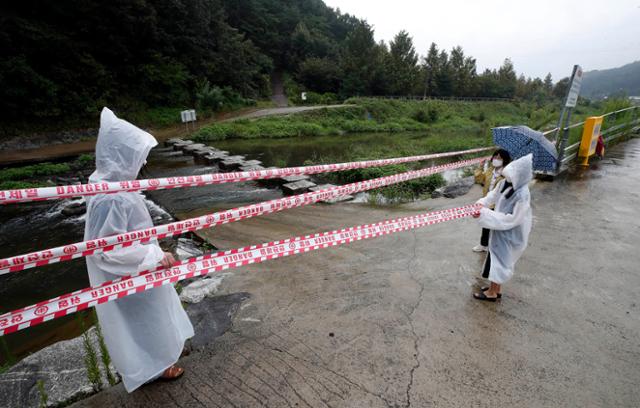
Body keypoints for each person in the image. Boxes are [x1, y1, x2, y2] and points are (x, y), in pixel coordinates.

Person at [84, 107, 194, 392]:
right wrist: (153, 256)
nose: (143, 162)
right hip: (131, 269)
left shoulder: (113, 187)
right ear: (122, 156)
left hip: (140, 265)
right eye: (138, 156)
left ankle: (163, 355)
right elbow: (106, 251)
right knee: (145, 317)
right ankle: (155, 366)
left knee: (156, 310)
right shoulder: (112, 197)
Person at [472, 154, 533, 301]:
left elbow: (513, 219)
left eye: (511, 174)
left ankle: (492, 293)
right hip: (499, 226)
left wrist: (484, 214)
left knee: (500, 260)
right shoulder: (505, 183)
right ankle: (495, 288)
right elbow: (492, 195)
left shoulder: (522, 194)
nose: (508, 175)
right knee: (495, 258)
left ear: (520, 175)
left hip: (509, 231)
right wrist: (481, 203)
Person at [472, 149, 511, 253]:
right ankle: (483, 245)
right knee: (486, 224)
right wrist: (480, 166)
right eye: (495, 157)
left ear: (505, 160)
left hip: (499, 205)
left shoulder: (507, 174)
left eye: (499, 158)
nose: (496, 160)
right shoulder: (490, 170)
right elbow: (479, 179)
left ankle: (496, 247)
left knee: (497, 227)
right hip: (487, 201)